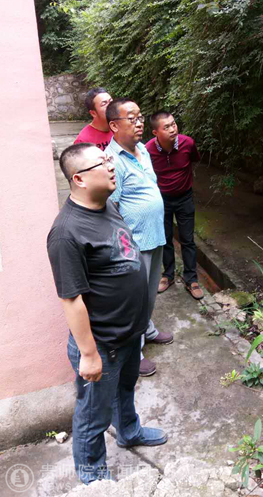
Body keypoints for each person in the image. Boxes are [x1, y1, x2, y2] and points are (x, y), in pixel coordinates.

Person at [47, 143, 167, 485]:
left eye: (109, 158)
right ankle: (94, 477)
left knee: (125, 390)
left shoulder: (108, 206)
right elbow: (71, 299)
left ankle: (129, 431)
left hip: (129, 332)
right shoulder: (66, 233)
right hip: (102, 343)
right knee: (92, 415)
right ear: (80, 179)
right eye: (102, 162)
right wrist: (88, 354)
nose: (111, 165)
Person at [105, 99, 173, 377]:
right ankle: (134, 353)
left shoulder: (142, 149)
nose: (139, 123)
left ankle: (147, 329)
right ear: (114, 125)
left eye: (140, 117)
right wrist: (124, 247)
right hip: (135, 243)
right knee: (133, 299)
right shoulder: (112, 161)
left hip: (154, 235)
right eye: (131, 119)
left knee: (149, 292)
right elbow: (112, 208)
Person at [146, 111, 203, 300]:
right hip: (161, 200)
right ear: (155, 132)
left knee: (187, 239)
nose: (173, 129)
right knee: (164, 239)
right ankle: (168, 275)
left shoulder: (188, 143)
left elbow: (194, 159)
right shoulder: (147, 150)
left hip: (184, 198)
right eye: (167, 127)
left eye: (174, 124)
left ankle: (191, 279)